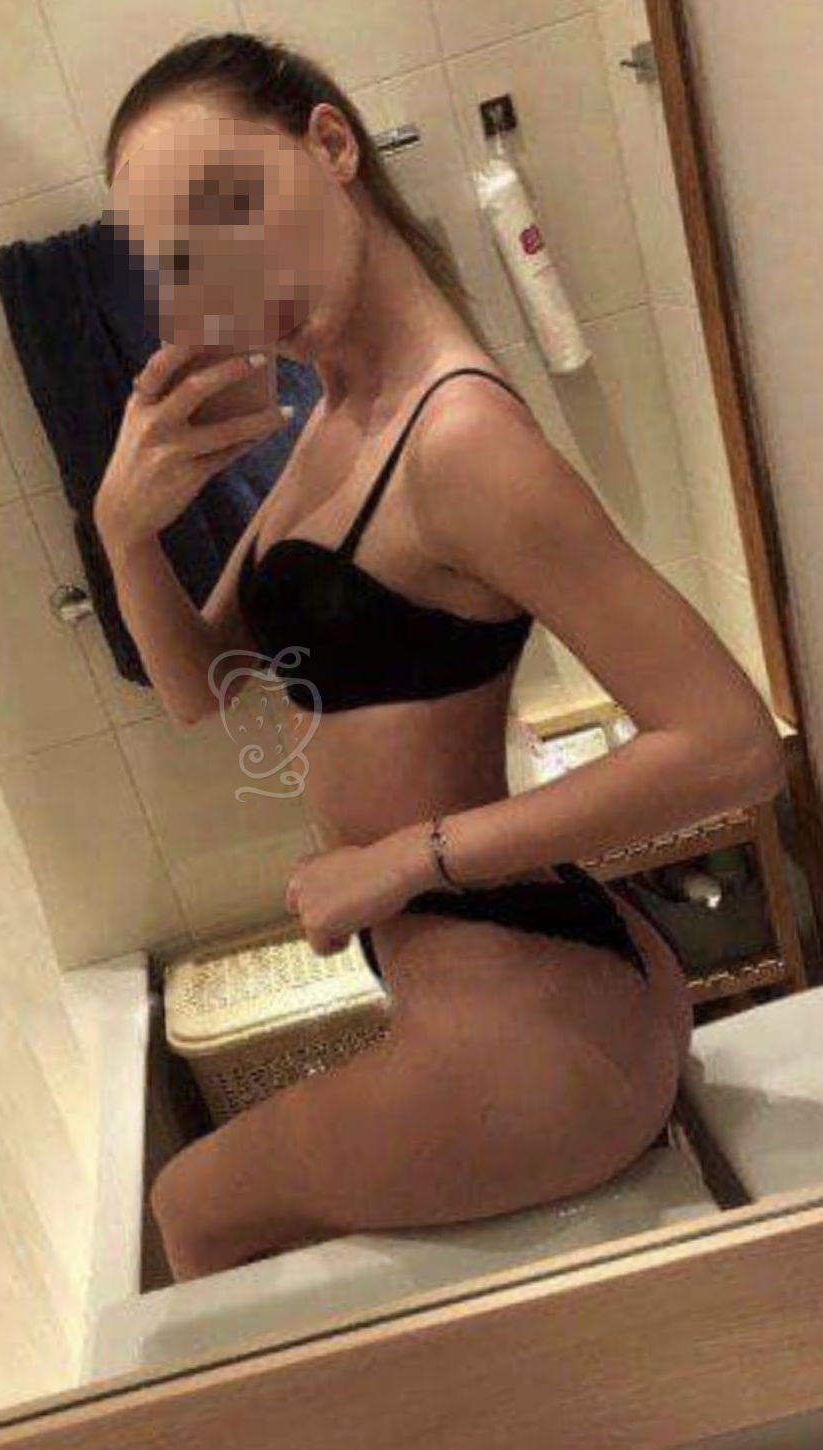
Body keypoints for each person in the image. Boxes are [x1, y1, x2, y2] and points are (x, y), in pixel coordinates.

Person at [93, 32, 786, 1282]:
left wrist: (397, 863)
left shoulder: (457, 438)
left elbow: (731, 744)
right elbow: (199, 687)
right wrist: (124, 530)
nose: (227, 280)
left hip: (534, 1030)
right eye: (185, 262)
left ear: (329, 144)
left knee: (193, 1210)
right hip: (525, 973)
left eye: (234, 205)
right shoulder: (332, 420)